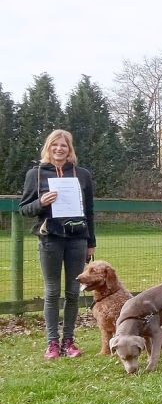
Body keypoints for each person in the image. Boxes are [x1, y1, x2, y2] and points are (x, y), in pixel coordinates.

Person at [19, 130, 96, 359]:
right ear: (48, 147)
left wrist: (91, 242)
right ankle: (52, 342)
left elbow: (90, 211)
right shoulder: (36, 174)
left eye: (64, 145)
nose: (59, 149)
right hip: (50, 239)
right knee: (52, 292)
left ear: (70, 149)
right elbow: (24, 208)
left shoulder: (82, 175)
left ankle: (69, 341)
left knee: (73, 292)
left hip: (77, 239)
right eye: (55, 145)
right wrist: (41, 202)